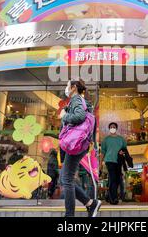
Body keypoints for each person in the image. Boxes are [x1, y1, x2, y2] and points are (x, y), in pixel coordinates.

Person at [59, 79, 102, 217]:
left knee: (66, 179)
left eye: (68, 86)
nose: (66, 88)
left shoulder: (77, 99)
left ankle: (70, 215)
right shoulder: (80, 101)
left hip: (75, 143)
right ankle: (90, 204)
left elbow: (80, 116)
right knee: (66, 179)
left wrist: (65, 116)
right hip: (80, 143)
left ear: (74, 88)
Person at [101, 122, 127, 205]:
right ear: (109, 128)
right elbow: (102, 152)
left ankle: (109, 196)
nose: (112, 128)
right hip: (109, 161)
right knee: (113, 178)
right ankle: (114, 198)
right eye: (111, 127)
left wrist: (122, 153)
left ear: (116, 128)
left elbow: (124, 150)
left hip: (118, 161)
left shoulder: (121, 139)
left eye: (114, 127)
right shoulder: (106, 139)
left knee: (117, 180)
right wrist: (100, 163)